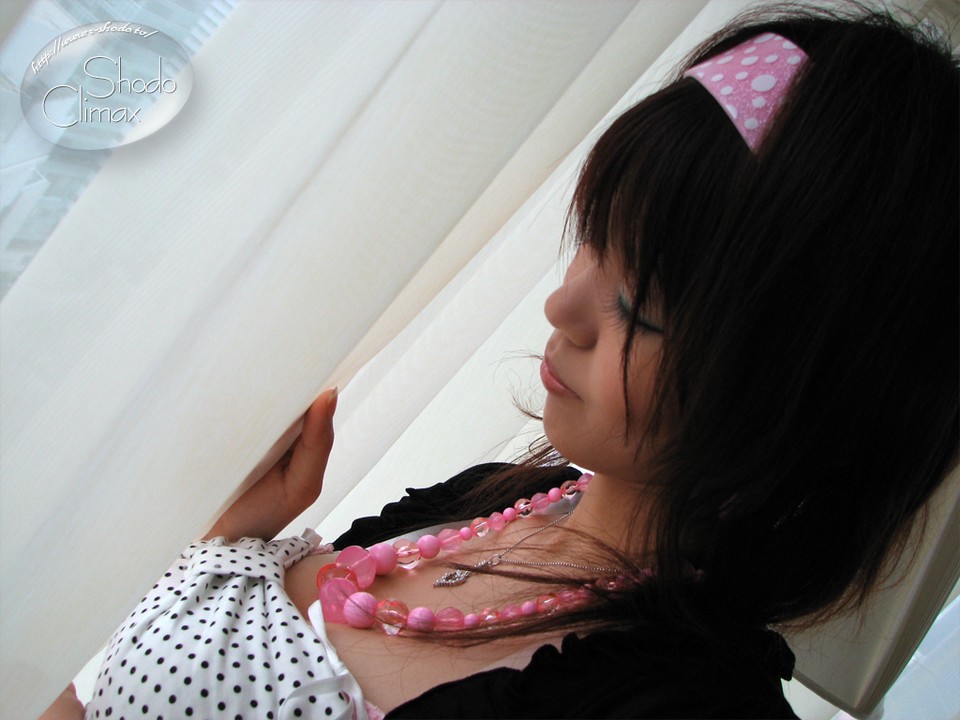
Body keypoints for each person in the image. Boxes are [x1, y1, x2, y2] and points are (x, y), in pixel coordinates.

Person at [43, 4, 958, 719]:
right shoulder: (501, 497)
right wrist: (238, 531)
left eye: (641, 304)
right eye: (595, 236)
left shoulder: (677, 703)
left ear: (804, 395)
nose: (564, 307)